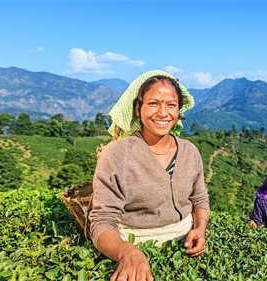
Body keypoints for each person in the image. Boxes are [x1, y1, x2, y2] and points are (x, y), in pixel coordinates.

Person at [89, 70, 209, 281]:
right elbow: (102, 221)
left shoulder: (190, 151)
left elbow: (199, 200)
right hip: (133, 242)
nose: (163, 113)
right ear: (138, 108)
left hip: (184, 246)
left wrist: (199, 229)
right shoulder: (116, 153)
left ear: (179, 111)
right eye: (153, 103)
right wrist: (127, 253)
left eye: (171, 105)